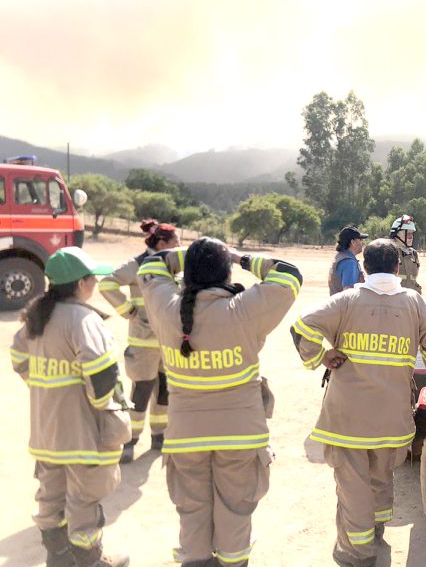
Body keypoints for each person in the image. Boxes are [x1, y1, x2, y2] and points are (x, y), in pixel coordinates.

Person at [290, 239, 426, 567]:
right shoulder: (414, 302)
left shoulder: (347, 300)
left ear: (365, 267)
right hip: (392, 418)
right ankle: (377, 532)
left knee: (353, 490)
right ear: (398, 267)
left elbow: (300, 328)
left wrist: (321, 356)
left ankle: (359, 554)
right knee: (382, 478)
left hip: (348, 419)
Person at [137, 238, 302, 567]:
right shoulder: (243, 309)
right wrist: (238, 256)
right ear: (226, 271)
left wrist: (191, 254)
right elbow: (289, 275)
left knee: (193, 512)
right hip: (241, 435)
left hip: (185, 434)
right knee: (236, 511)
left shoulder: (167, 308)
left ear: (188, 271)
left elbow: (150, 266)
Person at [10, 247, 131, 567]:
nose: (94, 282)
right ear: (81, 284)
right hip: (81, 433)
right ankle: (91, 559)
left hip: (46, 431)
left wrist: (45, 389)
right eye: (92, 278)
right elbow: (102, 375)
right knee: (84, 500)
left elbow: (19, 359)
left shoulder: (37, 316)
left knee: (50, 498)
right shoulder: (82, 318)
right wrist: (97, 404)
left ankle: (58, 557)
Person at [98, 219, 180, 463]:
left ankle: (159, 436)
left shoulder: (174, 265)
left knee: (165, 390)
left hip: (168, 343)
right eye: (176, 241)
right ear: (163, 242)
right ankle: (131, 441)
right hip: (143, 343)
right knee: (141, 392)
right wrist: (129, 311)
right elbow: (108, 283)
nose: (179, 245)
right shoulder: (137, 264)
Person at [329, 226, 367, 295]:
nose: (362, 243)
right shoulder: (349, 262)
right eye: (360, 240)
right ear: (353, 242)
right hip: (346, 305)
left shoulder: (340, 257)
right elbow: (348, 293)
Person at [389, 214, 421, 293]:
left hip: (411, 299)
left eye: (412, 233)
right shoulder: (388, 252)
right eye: (407, 233)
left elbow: (412, 280)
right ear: (396, 234)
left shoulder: (413, 254)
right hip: (395, 299)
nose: (411, 237)